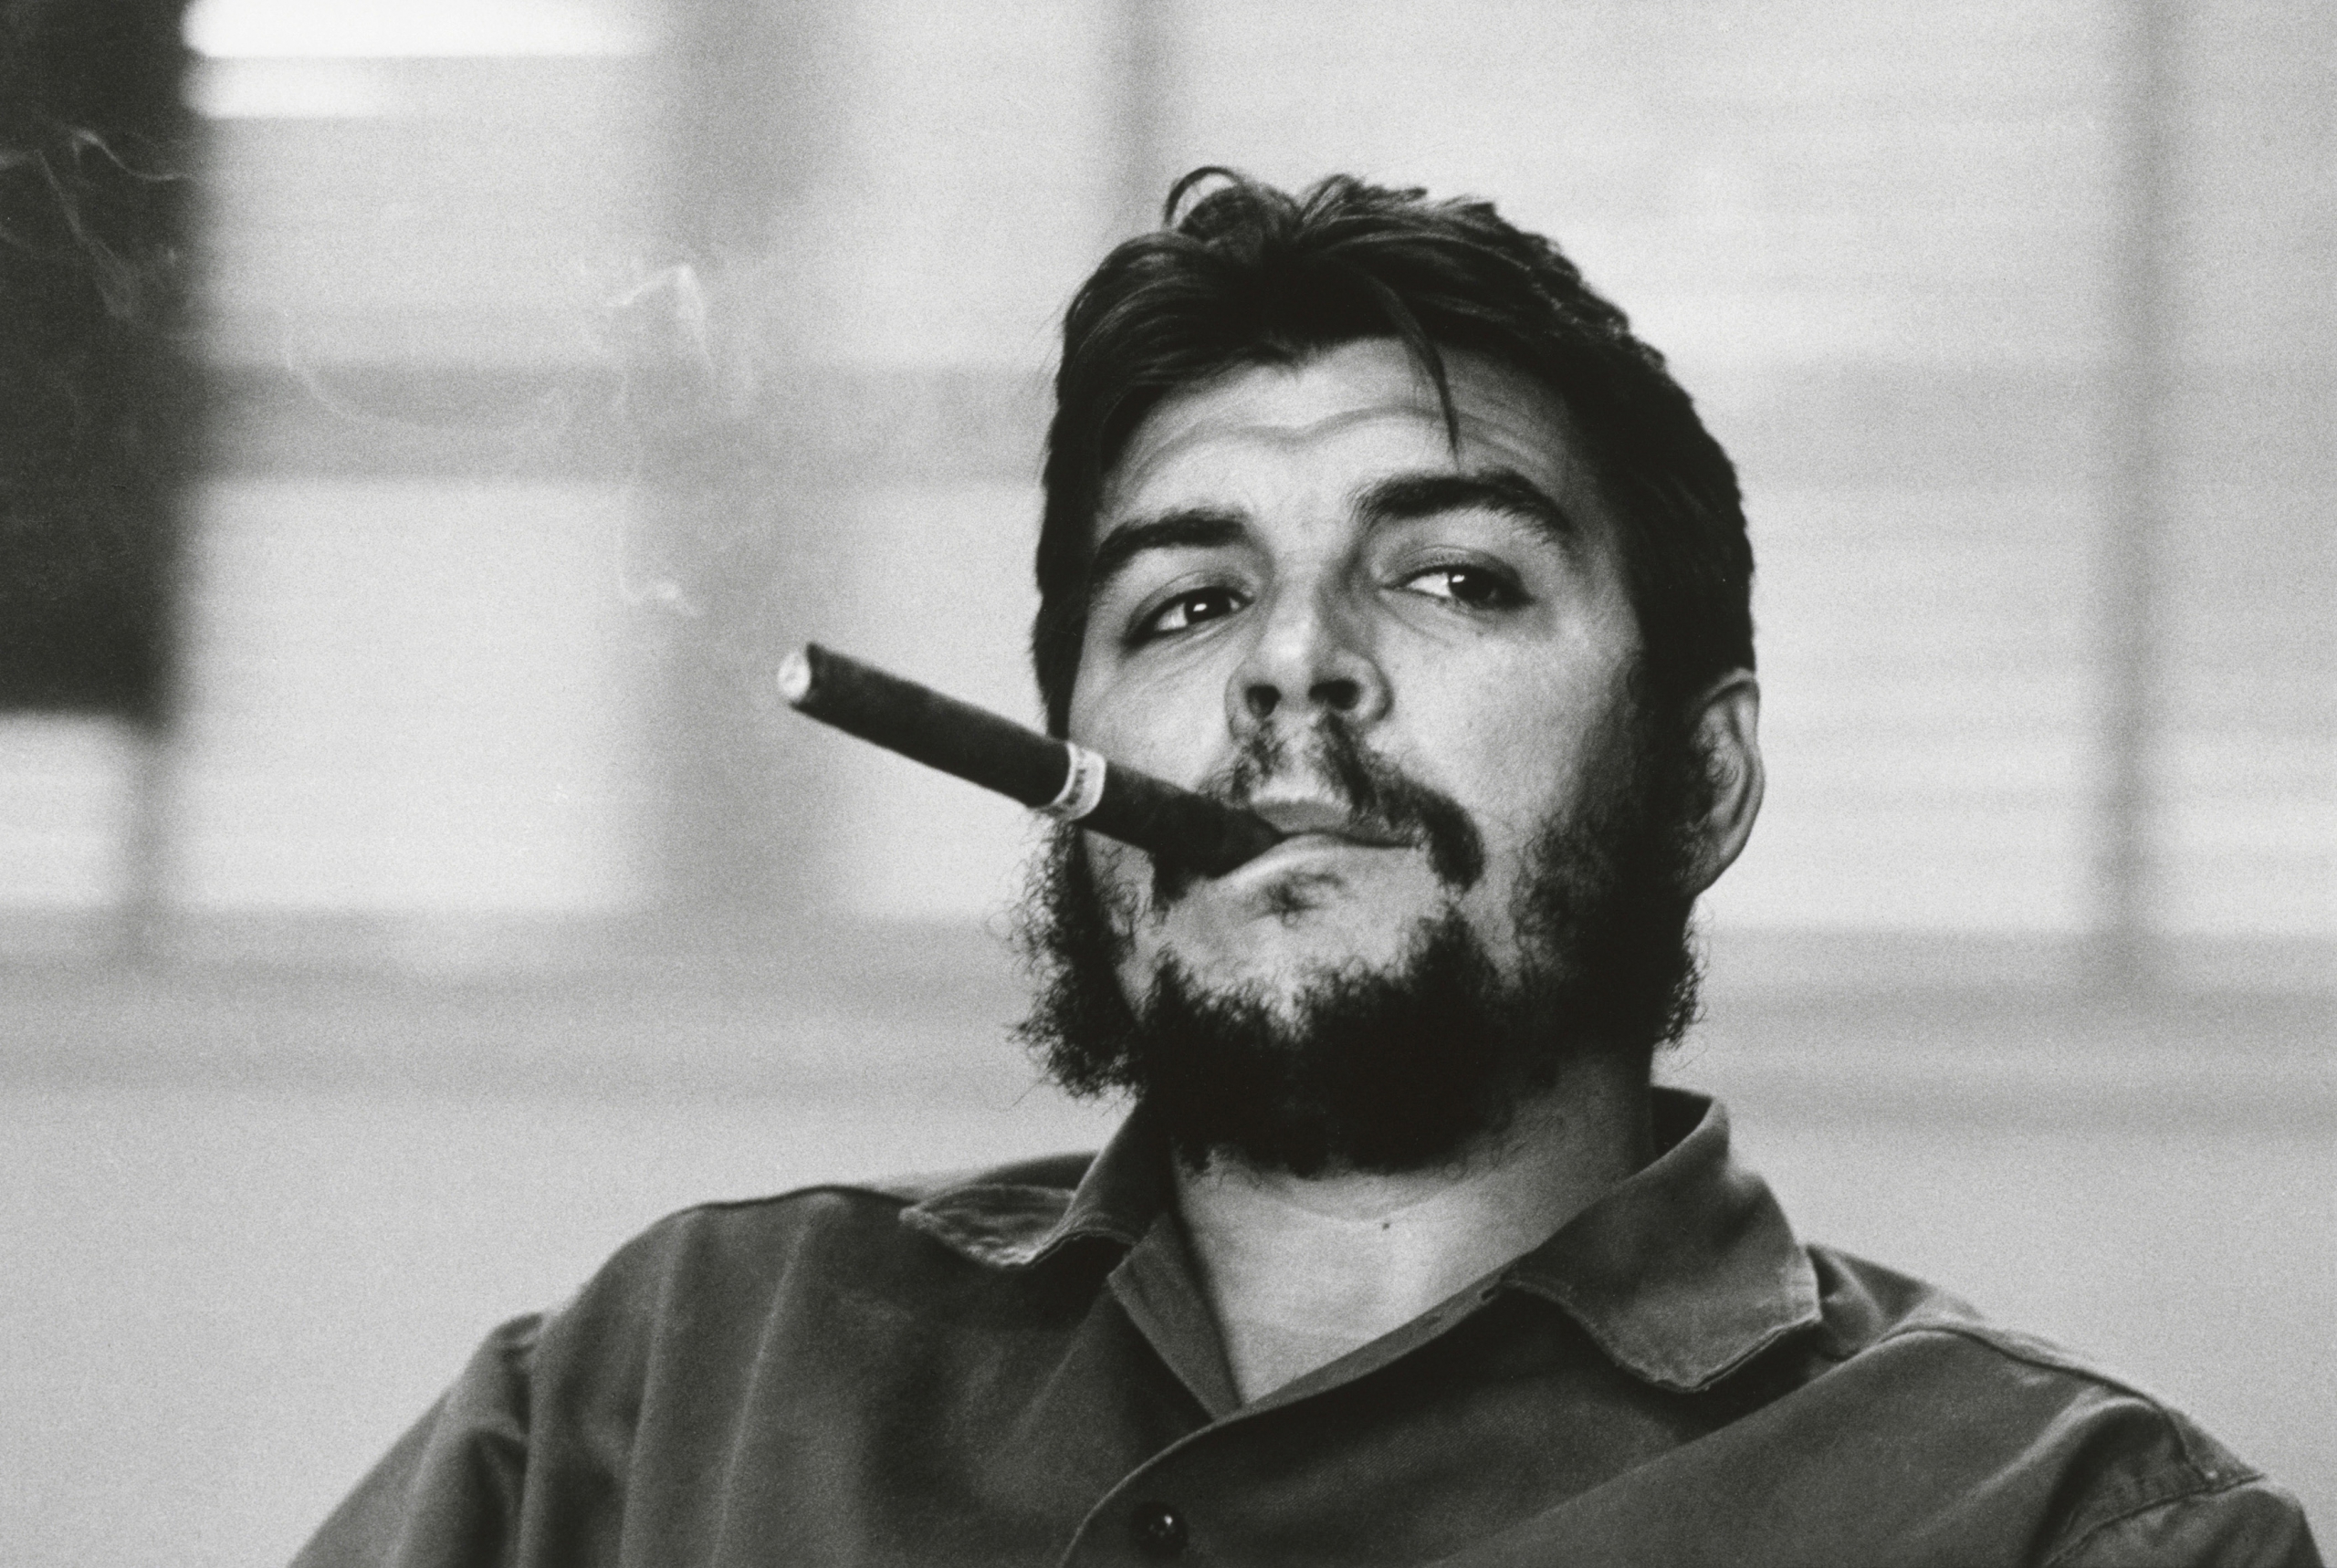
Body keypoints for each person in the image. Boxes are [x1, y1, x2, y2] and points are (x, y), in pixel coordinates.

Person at [293, 172, 2320, 1568]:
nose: (1288, 666)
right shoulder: (674, 1389)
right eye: (1185, 604)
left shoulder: (2065, 1529)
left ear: (1699, 780)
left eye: (1449, 577)